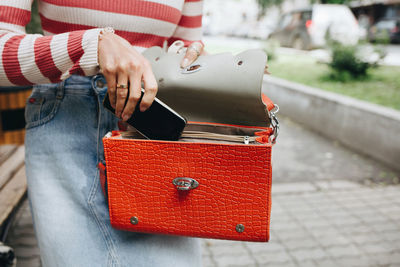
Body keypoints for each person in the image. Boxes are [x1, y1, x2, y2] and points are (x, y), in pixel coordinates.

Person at [0, 0, 204, 266]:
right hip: (67, 130)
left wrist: (198, 61)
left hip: (151, 133)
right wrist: (91, 45)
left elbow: (185, 47)